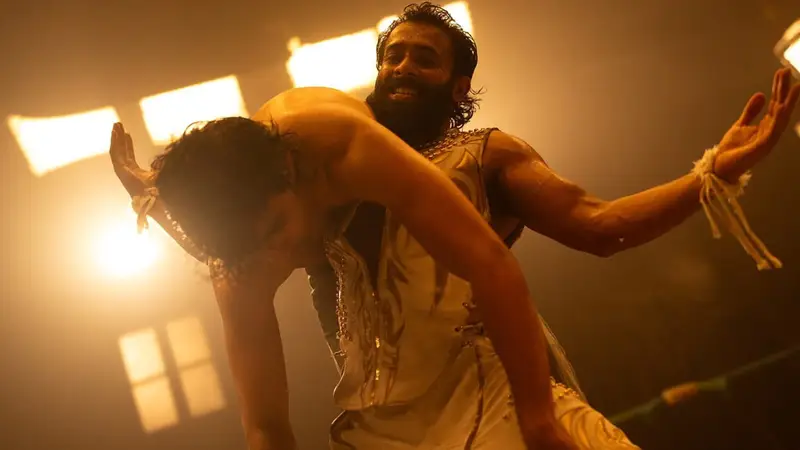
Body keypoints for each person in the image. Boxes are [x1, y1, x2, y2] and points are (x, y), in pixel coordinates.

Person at [109, 5, 799, 449]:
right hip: (384, 426)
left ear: (459, 87)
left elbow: (599, 227)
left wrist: (710, 174)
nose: (403, 67)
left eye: (424, 57)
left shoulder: (483, 156)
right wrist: (166, 200)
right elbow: (262, 408)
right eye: (392, 56)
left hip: (495, 390)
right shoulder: (294, 193)